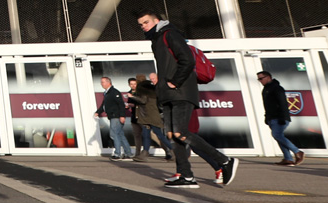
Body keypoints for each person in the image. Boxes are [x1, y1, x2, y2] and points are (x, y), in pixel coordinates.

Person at [138, 10, 238, 189]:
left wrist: (174, 82)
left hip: (181, 92)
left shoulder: (170, 34)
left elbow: (187, 61)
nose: (143, 26)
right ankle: (186, 175)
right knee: (172, 135)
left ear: (156, 21)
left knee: (181, 132)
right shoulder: (157, 40)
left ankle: (224, 161)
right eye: (141, 24)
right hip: (168, 94)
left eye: (146, 22)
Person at [258, 71, 305, 166]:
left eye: (261, 78)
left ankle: (297, 152)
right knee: (278, 137)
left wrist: (283, 117)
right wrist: (267, 117)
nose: (260, 81)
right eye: (258, 79)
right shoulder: (266, 89)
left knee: (277, 135)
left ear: (268, 77)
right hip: (272, 118)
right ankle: (288, 158)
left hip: (279, 117)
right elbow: (268, 105)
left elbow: (283, 103)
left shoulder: (277, 88)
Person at [126, 76, 172, 162]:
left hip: (150, 116)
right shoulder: (150, 89)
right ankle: (144, 154)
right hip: (147, 116)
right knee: (146, 135)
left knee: (158, 134)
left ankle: (173, 151)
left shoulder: (144, 90)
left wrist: (132, 97)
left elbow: (143, 101)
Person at [96, 77, 130, 160]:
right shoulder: (107, 93)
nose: (101, 84)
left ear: (108, 82)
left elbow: (121, 104)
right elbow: (104, 105)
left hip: (116, 116)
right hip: (113, 116)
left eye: (103, 82)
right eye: (101, 82)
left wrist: (122, 115)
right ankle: (128, 153)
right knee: (120, 134)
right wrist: (98, 112)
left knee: (114, 134)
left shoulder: (114, 92)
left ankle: (117, 154)